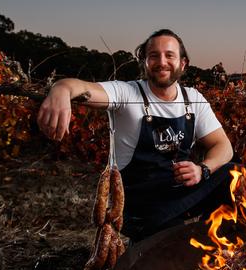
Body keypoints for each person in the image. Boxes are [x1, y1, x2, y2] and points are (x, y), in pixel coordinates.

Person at [37, 29, 235, 242]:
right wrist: (62, 88)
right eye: (153, 55)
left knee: (234, 175)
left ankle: (217, 245)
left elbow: (223, 146)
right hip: (141, 206)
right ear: (145, 62)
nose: (162, 62)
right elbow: (84, 87)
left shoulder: (192, 99)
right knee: (169, 250)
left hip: (178, 194)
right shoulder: (127, 93)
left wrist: (202, 169)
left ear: (183, 63)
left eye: (169, 55)